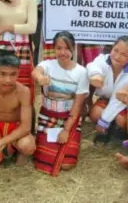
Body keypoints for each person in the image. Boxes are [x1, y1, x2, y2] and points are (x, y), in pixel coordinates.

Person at [32, 31, 89, 176]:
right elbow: (35, 72)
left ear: (73, 49)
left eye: (67, 48)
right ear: (54, 49)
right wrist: (40, 78)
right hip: (47, 118)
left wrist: (66, 130)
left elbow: (77, 105)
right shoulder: (47, 65)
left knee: (67, 164)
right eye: (58, 48)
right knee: (42, 161)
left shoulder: (81, 72)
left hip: (68, 119)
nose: (62, 52)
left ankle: (71, 137)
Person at [87, 36, 128, 135]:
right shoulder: (102, 59)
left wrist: (103, 122)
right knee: (95, 114)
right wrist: (96, 75)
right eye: (115, 50)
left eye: (123, 55)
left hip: (123, 102)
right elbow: (92, 66)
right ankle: (112, 127)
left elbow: (117, 99)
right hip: (106, 100)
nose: (117, 57)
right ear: (112, 48)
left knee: (121, 121)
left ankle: (115, 127)